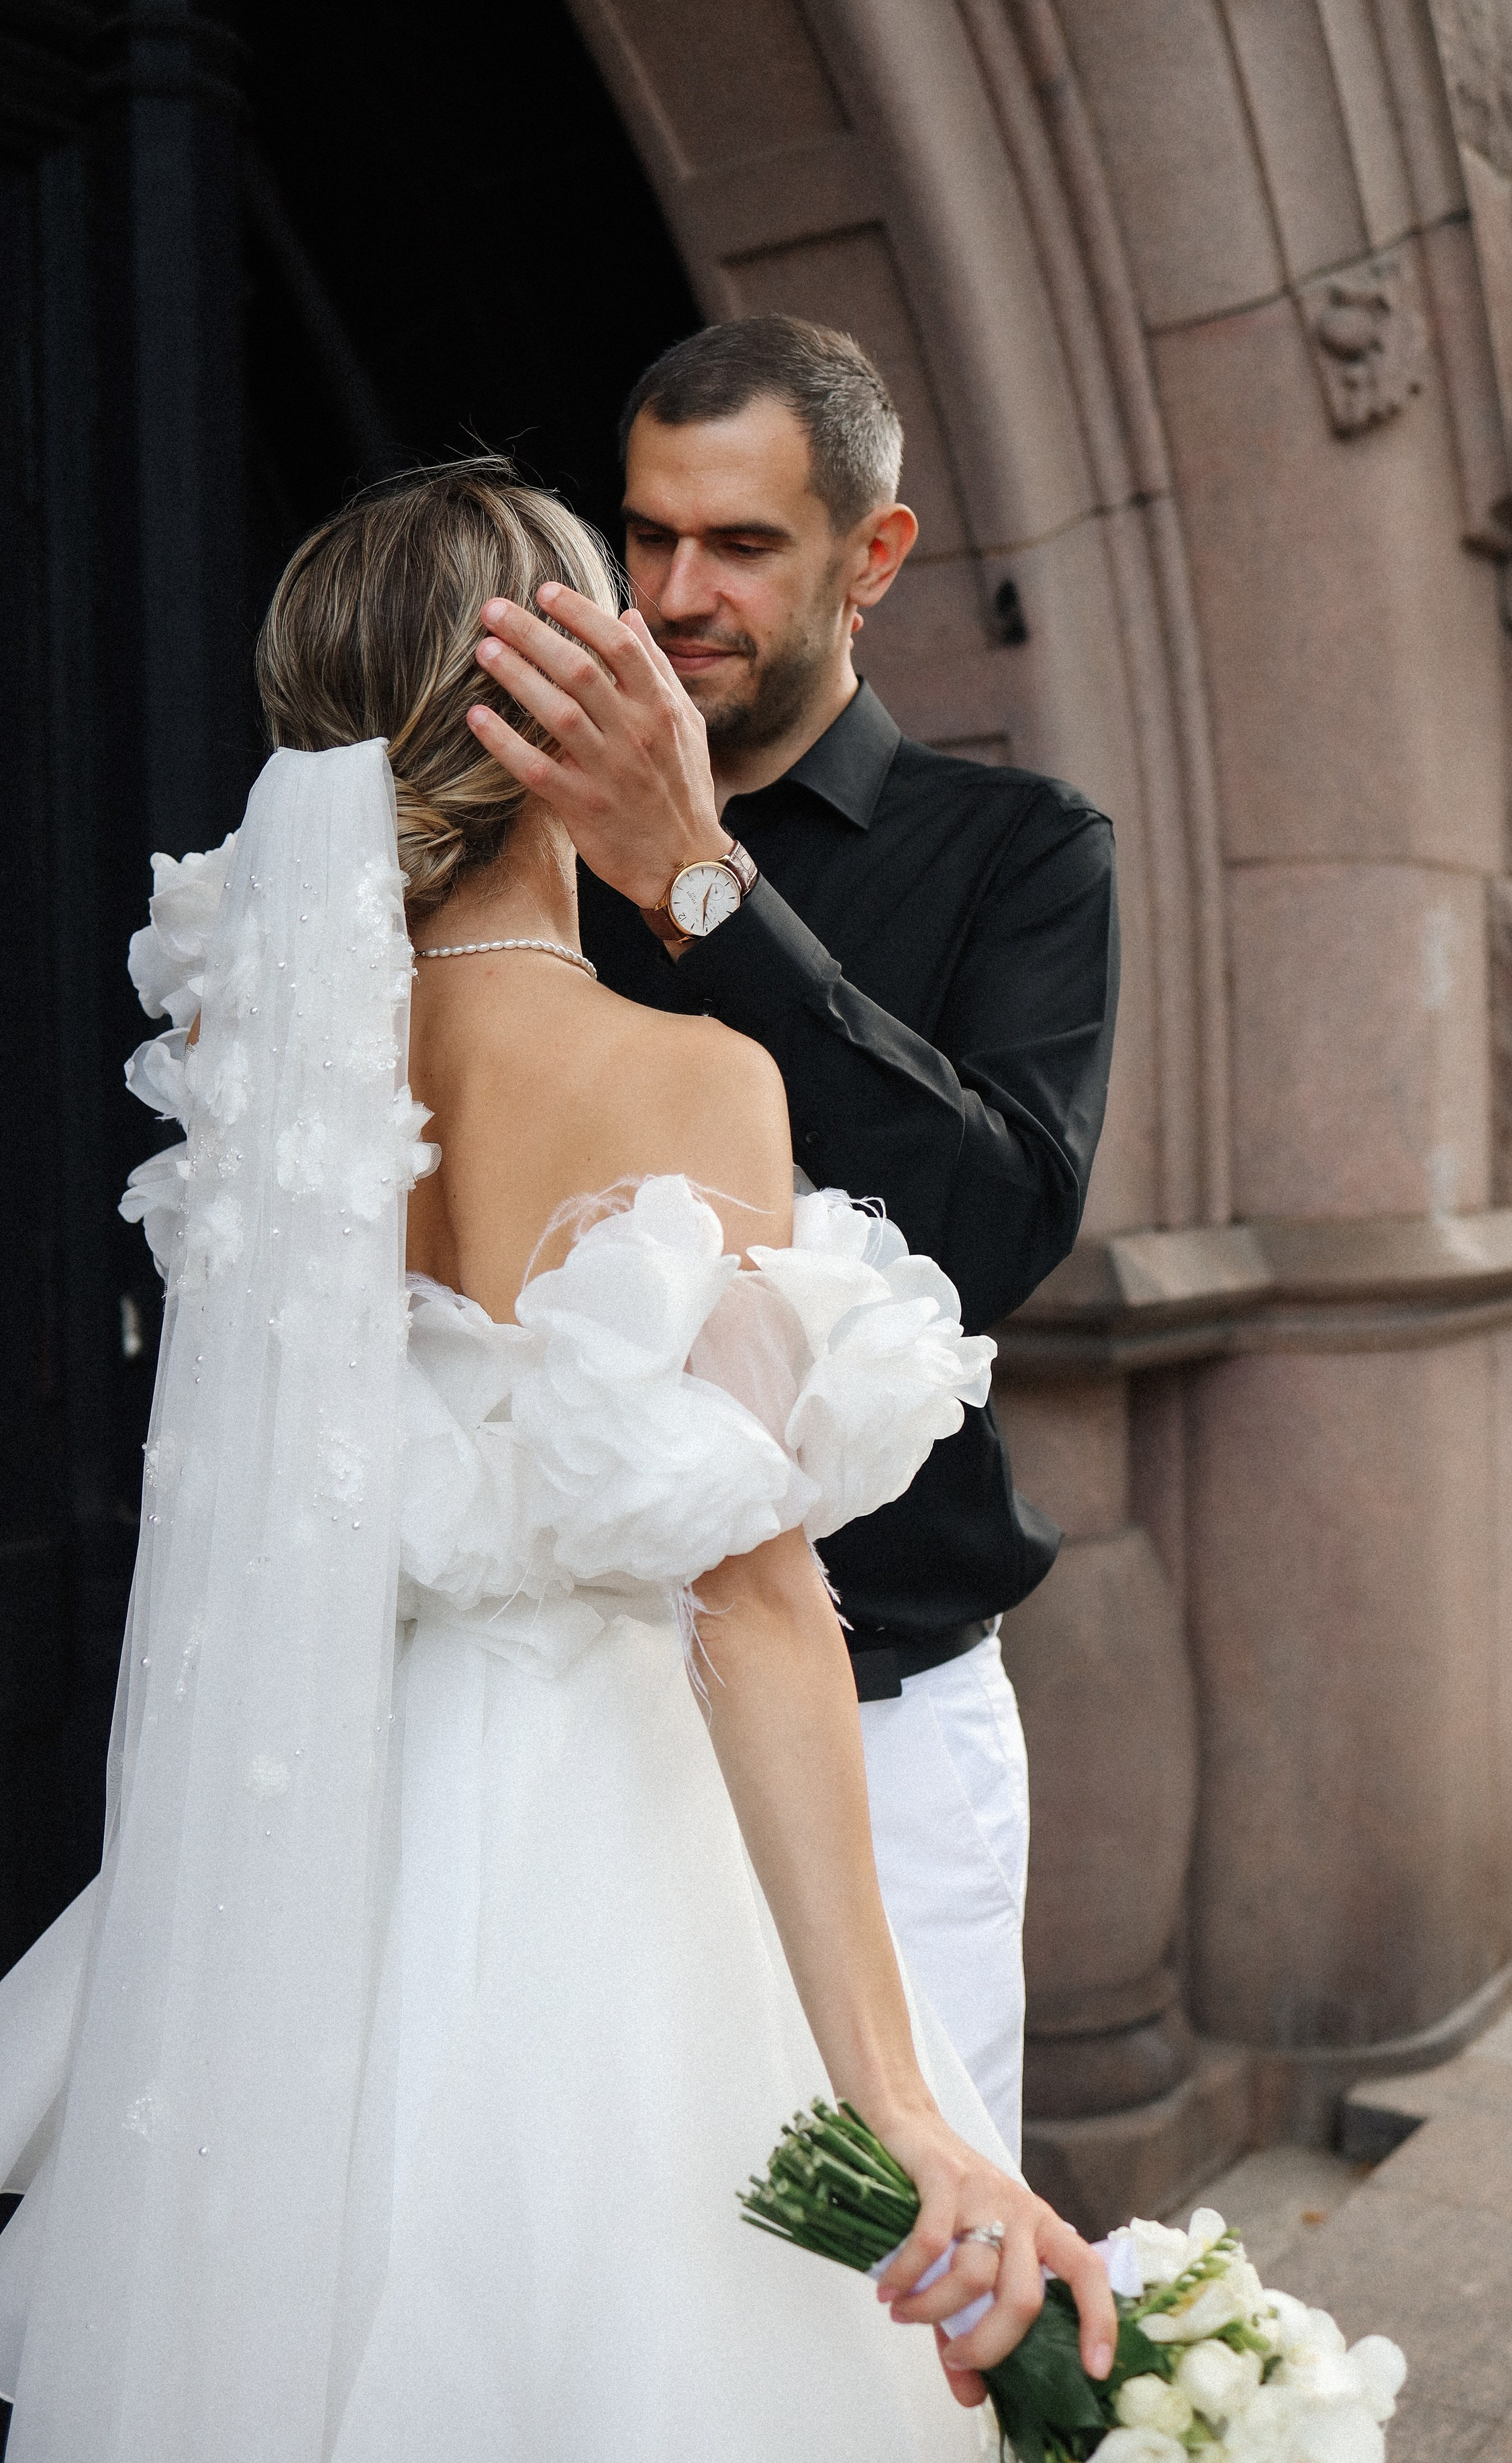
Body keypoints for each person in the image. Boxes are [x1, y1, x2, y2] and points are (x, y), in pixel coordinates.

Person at [0, 465, 1113, 2460]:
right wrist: (903, 2106)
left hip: (327, 1844)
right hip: (609, 1854)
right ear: (562, 715)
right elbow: (755, 1603)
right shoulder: (681, 1074)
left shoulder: (271, 1075)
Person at [466, 315, 1121, 2162]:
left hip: (886, 1731)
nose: (674, 594)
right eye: (648, 535)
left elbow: (998, 1223)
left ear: (874, 557)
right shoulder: (514, 848)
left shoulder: (1022, 851)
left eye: (741, 545)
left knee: (907, 2288)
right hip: (557, 1735)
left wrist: (701, 886)